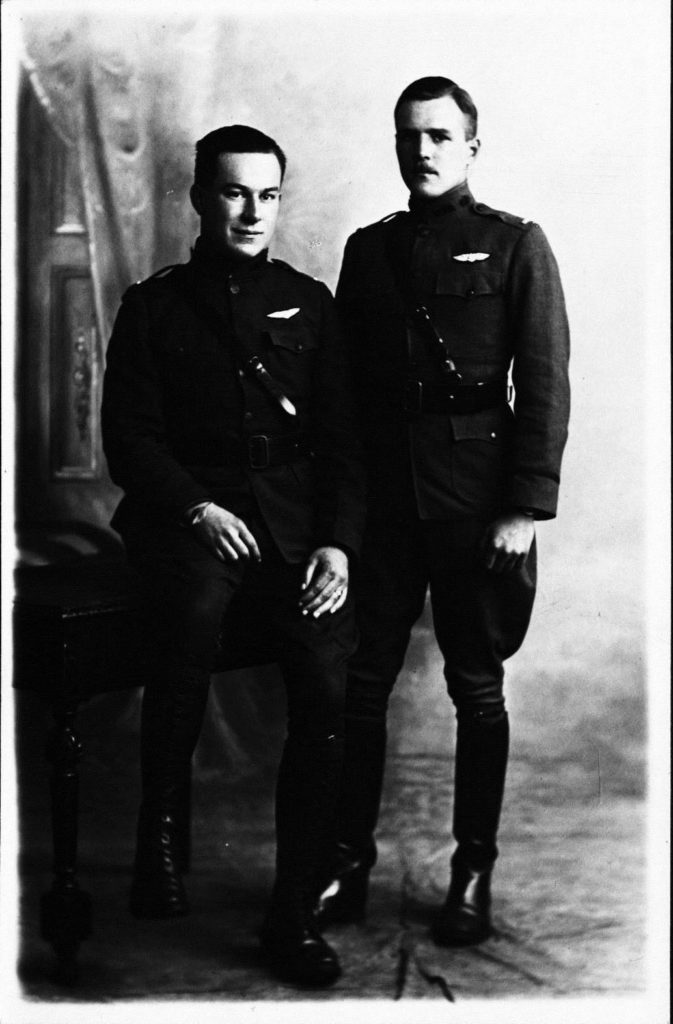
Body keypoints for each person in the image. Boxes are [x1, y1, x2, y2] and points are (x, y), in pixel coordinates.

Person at [101, 124, 365, 987]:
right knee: (193, 614)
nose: (253, 211)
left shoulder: (309, 302)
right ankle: (162, 834)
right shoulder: (157, 305)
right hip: (192, 518)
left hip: (291, 525)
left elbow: (342, 442)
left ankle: (292, 913)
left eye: (268, 194)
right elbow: (130, 440)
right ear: (199, 198)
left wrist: (334, 543)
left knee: (328, 677)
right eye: (233, 192)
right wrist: (196, 507)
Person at [317, 77, 570, 946]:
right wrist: (341, 524)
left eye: (438, 136)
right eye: (408, 135)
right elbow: (344, 398)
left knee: (476, 689)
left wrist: (524, 507)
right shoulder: (368, 251)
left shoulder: (513, 245)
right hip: (383, 504)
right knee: (360, 686)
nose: (420, 150)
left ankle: (472, 870)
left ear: (470, 147)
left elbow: (541, 382)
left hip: (474, 504)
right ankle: (347, 862)